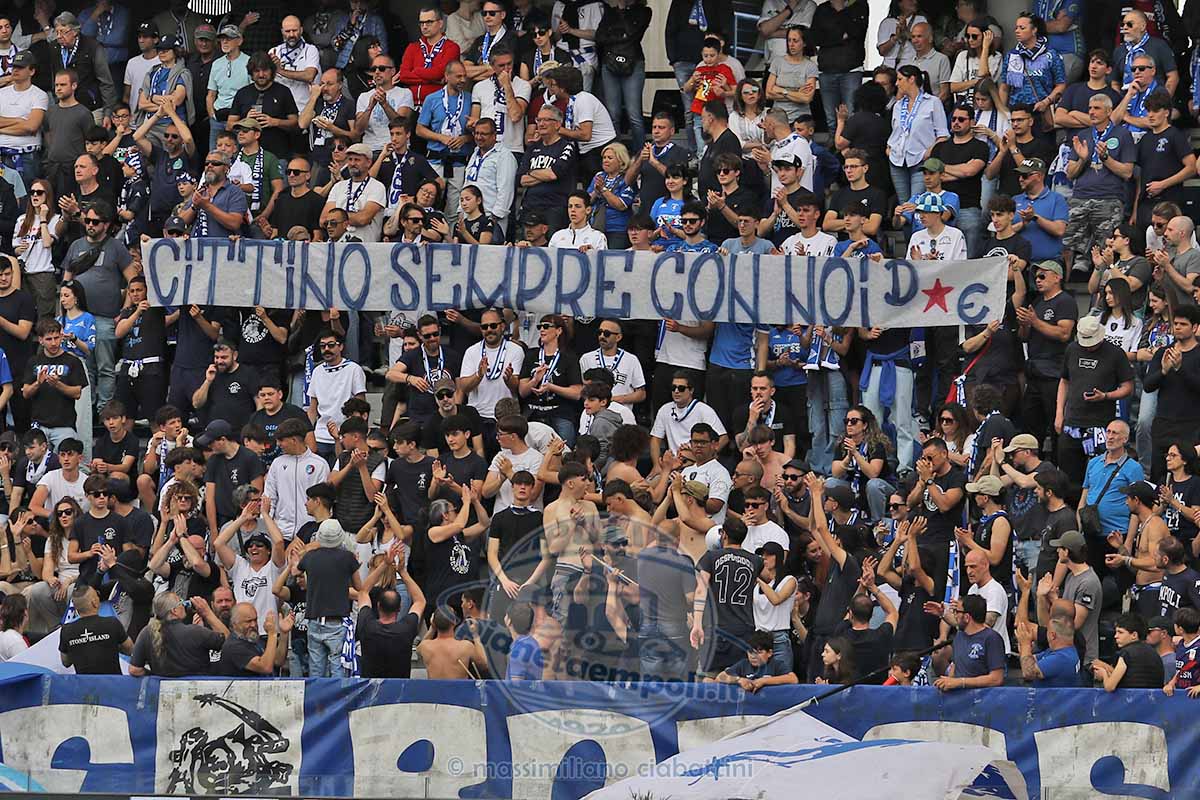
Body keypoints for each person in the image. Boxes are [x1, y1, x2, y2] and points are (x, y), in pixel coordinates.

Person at [1144, 304, 1200, 482]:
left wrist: (1180, 369)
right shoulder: (1163, 352)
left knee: (1189, 476)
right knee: (1158, 475)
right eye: (1175, 323)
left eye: (1183, 324)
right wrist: (1163, 371)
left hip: (1191, 426)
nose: (1178, 327)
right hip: (1163, 424)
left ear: (1195, 327)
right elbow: (1148, 386)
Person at [886, 64, 948, 203]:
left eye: (900, 79)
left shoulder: (933, 102)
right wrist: (889, 149)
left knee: (916, 203)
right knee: (904, 205)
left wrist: (928, 152)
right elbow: (896, 132)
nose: (896, 83)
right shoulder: (898, 105)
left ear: (911, 79)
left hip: (921, 161)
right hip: (897, 160)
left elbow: (943, 135)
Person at [1107, 480, 1169, 618]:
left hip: (1154, 592)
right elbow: (1139, 566)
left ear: (1136, 500)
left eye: (1128, 498)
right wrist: (1121, 548)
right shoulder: (1144, 525)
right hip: (1141, 590)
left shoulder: (1155, 526)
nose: (1126, 502)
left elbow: (1156, 564)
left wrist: (1125, 559)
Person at [128, 592, 228, 677]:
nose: (184, 604)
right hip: (199, 689)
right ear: (174, 611)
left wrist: (155, 676)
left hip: (163, 691)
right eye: (180, 602)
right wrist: (208, 613)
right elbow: (229, 642)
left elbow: (134, 670)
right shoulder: (196, 632)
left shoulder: (146, 633)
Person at [931, 594, 1005, 690]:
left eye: (957, 612)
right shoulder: (959, 636)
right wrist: (948, 681)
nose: (955, 615)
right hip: (959, 696)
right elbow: (956, 666)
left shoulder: (991, 638)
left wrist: (960, 682)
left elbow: (996, 678)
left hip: (982, 697)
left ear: (966, 617)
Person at [57, 584, 131, 673]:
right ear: (94, 603)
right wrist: (111, 645)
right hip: (112, 680)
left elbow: (65, 662)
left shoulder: (66, 630)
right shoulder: (112, 623)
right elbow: (130, 649)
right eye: (97, 595)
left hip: (84, 681)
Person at [216, 602, 293, 677]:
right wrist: (272, 633)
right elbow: (265, 667)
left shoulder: (254, 639)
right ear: (234, 624)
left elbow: (277, 661)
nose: (253, 625)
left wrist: (284, 633)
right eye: (248, 621)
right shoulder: (233, 646)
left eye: (255, 620)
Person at [1092, 612, 1165, 690]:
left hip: (1129, 697)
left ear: (1134, 635)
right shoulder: (1154, 653)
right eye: (1116, 632)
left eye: (1120, 632)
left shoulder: (1126, 653)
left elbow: (1110, 687)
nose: (1116, 636)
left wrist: (1103, 673)